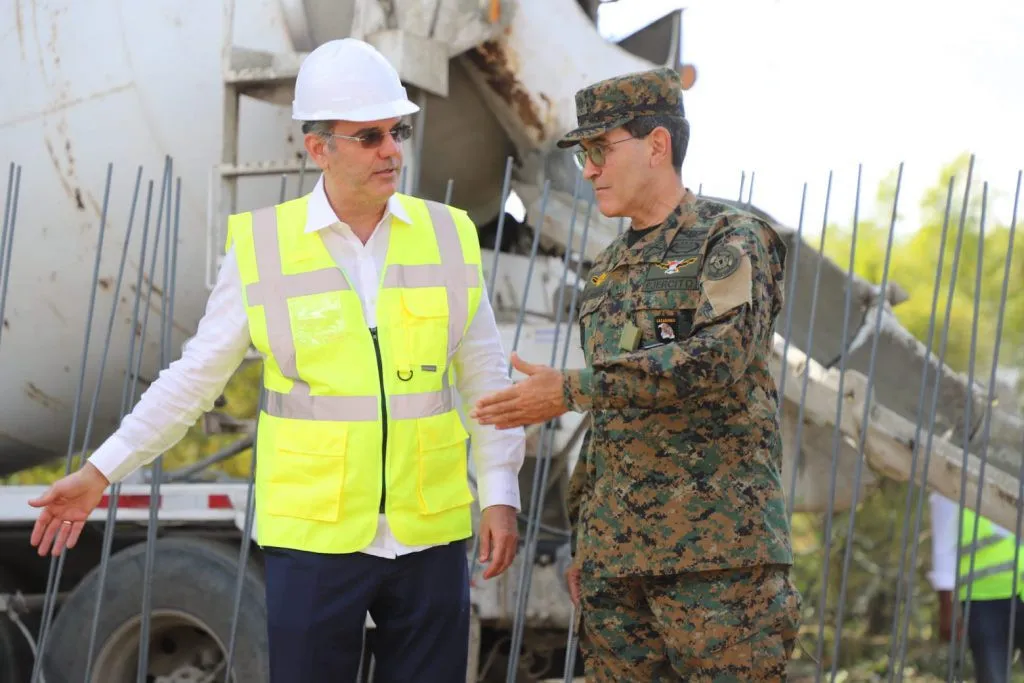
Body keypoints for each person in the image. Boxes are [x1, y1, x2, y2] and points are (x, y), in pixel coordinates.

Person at [28, 38, 525, 683]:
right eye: (369, 136)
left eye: (397, 130)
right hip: (313, 540)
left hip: (429, 533)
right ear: (319, 148)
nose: (392, 150)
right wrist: (101, 471)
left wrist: (500, 494)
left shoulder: (449, 235)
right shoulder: (262, 248)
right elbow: (193, 380)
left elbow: (485, 377)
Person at [470, 65, 801, 680]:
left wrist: (570, 389)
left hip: (717, 562)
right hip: (616, 567)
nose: (588, 169)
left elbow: (717, 357)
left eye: (600, 149)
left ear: (657, 144)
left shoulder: (729, 240)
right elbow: (611, 421)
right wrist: (586, 539)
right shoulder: (605, 271)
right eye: (584, 155)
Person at [930, 491, 1024, 683]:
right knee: (992, 677)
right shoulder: (952, 486)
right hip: (983, 601)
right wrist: (947, 608)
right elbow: (943, 549)